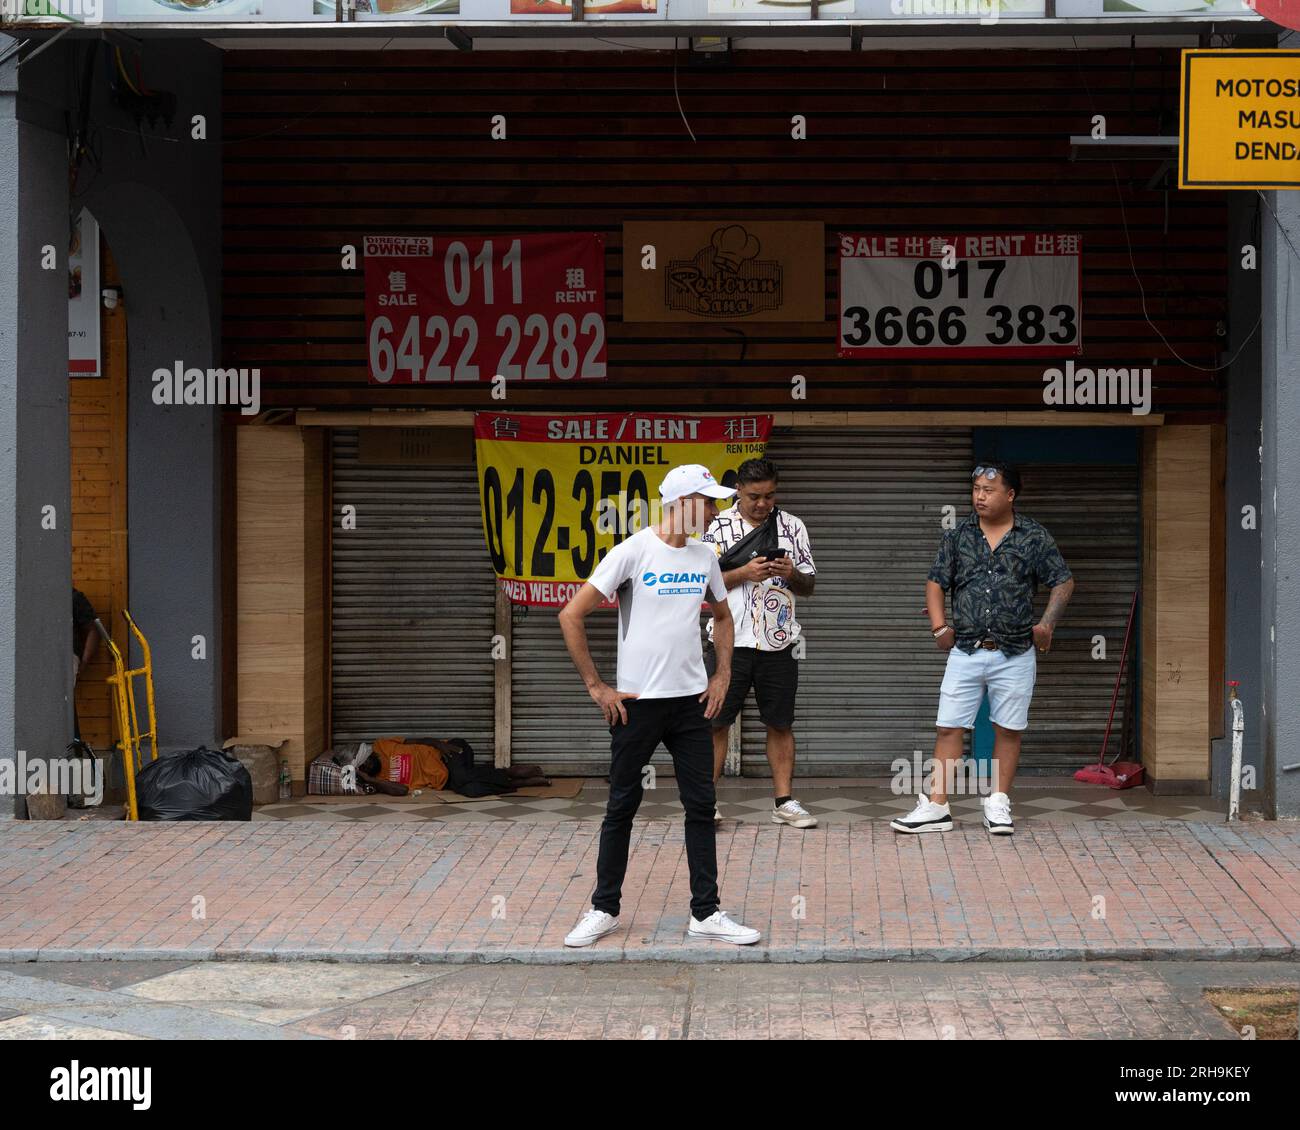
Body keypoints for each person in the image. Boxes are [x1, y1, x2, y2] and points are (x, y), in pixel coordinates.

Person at [558, 464, 761, 948]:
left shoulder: (704, 556)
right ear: (681, 503)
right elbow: (571, 614)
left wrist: (722, 675)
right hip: (637, 704)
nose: (714, 510)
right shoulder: (633, 551)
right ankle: (604, 909)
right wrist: (597, 687)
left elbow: (723, 615)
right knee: (621, 806)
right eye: (707, 501)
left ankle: (706, 913)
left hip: (691, 704)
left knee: (701, 806)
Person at [891, 461, 1074, 836]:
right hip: (967, 650)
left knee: (1008, 728)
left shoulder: (1033, 537)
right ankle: (937, 807)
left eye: (988, 490)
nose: (979, 496)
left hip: (1016, 651)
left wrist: (1047, 624)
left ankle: (998, 803)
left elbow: (1063, 581)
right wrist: (939, 626)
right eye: (975, 489)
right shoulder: (958, 537)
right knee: (948, 726)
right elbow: (935, 582)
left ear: (1010, 495)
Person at [701, 458, 818, 828]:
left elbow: (810, 585)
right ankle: (706, 802)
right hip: (727, 642)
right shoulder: (716, 526)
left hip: (778, 641)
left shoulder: (792, 526)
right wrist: (743, 573)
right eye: (754, 496)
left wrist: (792, 574)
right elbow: (702, 585)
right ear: (738, 490)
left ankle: (784, 802)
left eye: (769, 496)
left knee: (780, 723)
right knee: (715, 723)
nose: (762, 504)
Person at [72, 588, 98, 741]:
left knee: (63, 705)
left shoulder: (73, 597)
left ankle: (74, 751)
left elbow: (93, 630)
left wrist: (84, 662)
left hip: (67, 656)